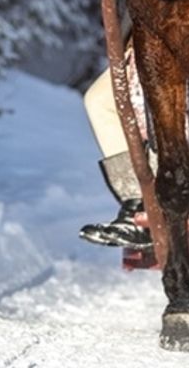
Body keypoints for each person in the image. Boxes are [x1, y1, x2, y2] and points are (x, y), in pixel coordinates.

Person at [77, 69, 152, 249]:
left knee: (156, 99)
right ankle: (136, 202)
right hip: (143, 48)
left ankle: (160, 202)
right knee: (99, 100)